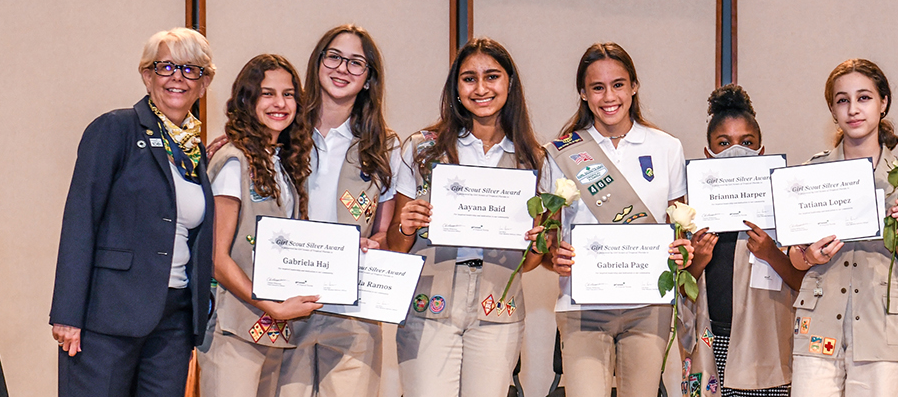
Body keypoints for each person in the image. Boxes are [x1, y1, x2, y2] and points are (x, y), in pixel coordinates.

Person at [51, 27, 217, 396]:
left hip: (174, 319)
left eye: (191, 69)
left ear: (204, 83)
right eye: (166, 66)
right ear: (146, 74)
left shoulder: (195, 152)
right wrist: (67, 314)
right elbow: (81, 219)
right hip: (107, 316)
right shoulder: (117, 128)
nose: (177, 77)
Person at [541, 42, 709, 397]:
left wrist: (682, 251)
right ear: (583, 94)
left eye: (618, 84)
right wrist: (552, 256)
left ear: (634, 86)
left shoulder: (666, 148)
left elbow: (678, 224)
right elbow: (547, 237)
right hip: (581, 305)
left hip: (647, 306)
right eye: (597, 87)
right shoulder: (562, 153)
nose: (609, 96)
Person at [386, 37, 550, 396]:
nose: (481, 88)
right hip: (429, 304)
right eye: (469, 78)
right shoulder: (421, 148)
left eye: (491, 76)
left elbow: (528, 264)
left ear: (509, 83)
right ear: (455, 87)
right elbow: (395, 246)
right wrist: (405, 224)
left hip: (497, 308)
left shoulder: (534, 160)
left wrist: (539, 241)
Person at [785, 59, 898, 397]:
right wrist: (809, 255)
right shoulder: (812, 171)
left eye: (864, 98)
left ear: (883, 102)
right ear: (832, 109)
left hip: (881, 322)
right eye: (842, 100)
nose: (853, 109)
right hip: (818, 318)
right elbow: (794, 257)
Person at [278, 24, 399, 397]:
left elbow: (385, 232)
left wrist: (377, 243)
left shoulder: (383, 146)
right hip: (284, 303)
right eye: (334, 57)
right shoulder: (281, 133)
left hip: (352, 311)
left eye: (356, 63)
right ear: (317, 64)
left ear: (368, 79)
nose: (342, 68)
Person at [198, 54, 318, 397]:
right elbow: (217, 259)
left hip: (276, 330)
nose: (280, 103)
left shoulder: (283, 163)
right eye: (267, 94)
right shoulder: (234, 159)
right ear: (247, 100)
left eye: (288, 94)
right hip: (235, 328)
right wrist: (274, 307)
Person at [688, 84, 799, 397]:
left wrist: (771, 254)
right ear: (708, 152)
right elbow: (679, 290)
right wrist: (698, 260)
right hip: (711, 345)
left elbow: (803, 282)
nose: (736, 150)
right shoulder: (692, 214)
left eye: (746, 142)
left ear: (762, 151)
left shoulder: (783, 209)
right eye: (724, 143)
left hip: (764, 348)